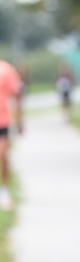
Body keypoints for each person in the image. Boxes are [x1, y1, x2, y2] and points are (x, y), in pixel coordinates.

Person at [0, 60, 25, 211]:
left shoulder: (6, 69)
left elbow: (17, 94)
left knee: (3, 154)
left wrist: (20, 120)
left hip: (2, 121)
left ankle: (4, 191)